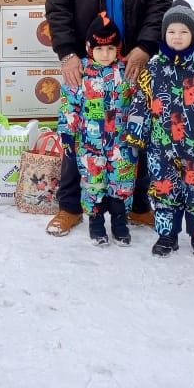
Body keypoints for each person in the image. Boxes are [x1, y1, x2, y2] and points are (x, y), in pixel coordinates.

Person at [43, 0, 172, 237]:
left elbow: (159, 4)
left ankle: (137, 206)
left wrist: (145, 47)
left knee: (134, 133)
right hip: (88, 61)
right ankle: (70, 207)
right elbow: (57, 6)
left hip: (131, 60)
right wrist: (68, 53)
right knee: (80, 135)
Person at [126, 0, 194, 261]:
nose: (177, 37)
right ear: (164, 34)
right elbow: (140, 105)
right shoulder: (151, 70)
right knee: (164, 193)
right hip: (161, 150)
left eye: (183, 32)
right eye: (172, 31)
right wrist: (134, 139)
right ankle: (167, 236)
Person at [56, 13, 138, 246]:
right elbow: (69, 106)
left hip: (121, 142)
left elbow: (138, 104)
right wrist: (67, 135)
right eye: (100, 49)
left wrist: (139, 132)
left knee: (121, 183)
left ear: (118, 49)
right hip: (90, 144)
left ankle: (119, 221)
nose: (105, 54)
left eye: (111, 49)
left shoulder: (125, 73)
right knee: (93, 182)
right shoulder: (81, 74)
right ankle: (96, 220)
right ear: (90, 48)